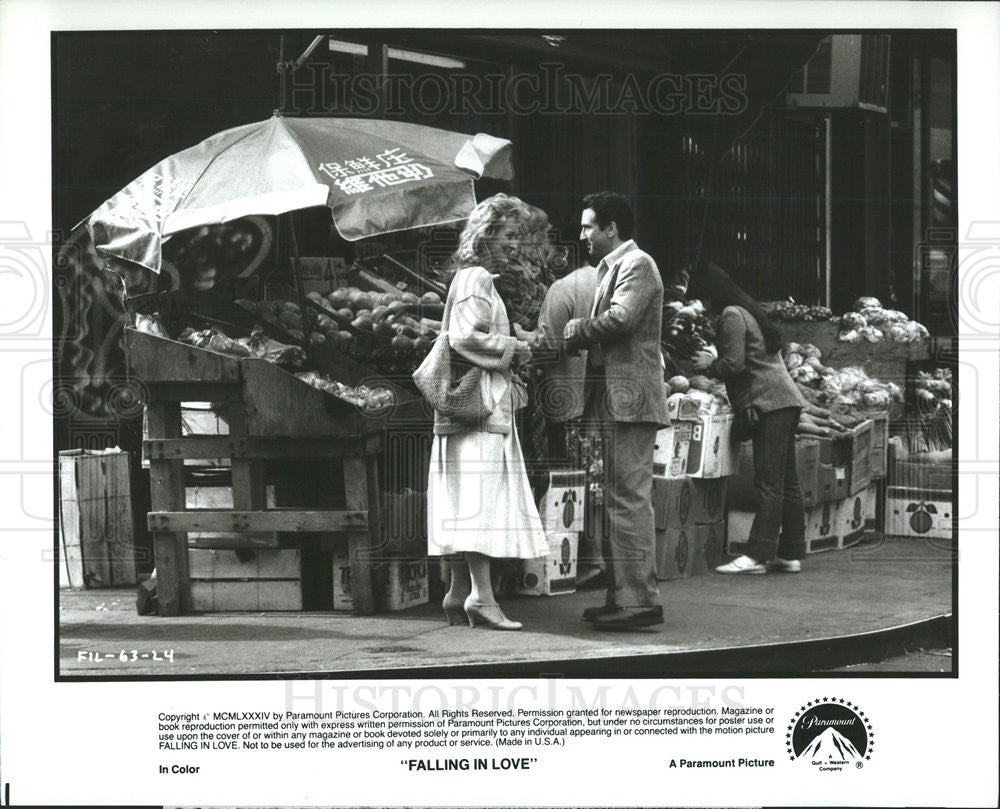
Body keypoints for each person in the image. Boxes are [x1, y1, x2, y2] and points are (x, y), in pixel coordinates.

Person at [427, 194, 548, 631]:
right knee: (480, 503)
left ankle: (459, 592)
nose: (516, 245)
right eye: (510, 235)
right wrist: (516, 347)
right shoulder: (477, 277)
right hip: (480, 409)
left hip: (474, 410)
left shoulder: (475, 277)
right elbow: (464, 338)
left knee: (466, 501)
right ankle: (482, 597)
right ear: (488, 234)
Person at [563, 192, 669, 631]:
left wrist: (577, 329)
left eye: (588, 226)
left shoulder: (637, 264)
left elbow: (622, 319)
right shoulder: (613, 268)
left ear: (611, 229)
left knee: (628, 499)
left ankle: (641, 600)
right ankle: (620, 594)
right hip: (613, 399)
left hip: (632, 400)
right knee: (611, 499)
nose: (582, 234)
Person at [689, 262, 808, 574]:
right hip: (786, 402)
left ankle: (756, 556)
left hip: (769, 404)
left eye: (700, 300)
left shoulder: (731, 315)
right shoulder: (749, 309)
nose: (701, 308)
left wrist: (708, 364)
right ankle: (790, 553)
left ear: (709, 295)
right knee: (786, 482)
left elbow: (734, 365)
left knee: (769, 482)